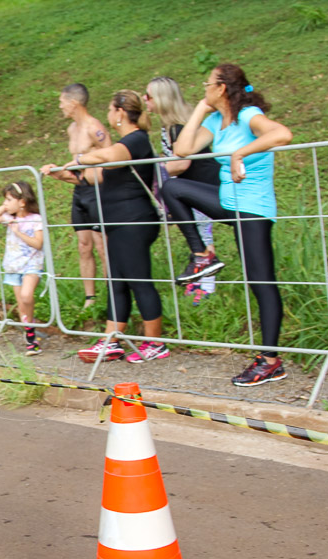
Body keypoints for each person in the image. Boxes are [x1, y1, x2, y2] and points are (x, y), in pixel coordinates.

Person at [164, 64, 293, 386]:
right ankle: (202, 256)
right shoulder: (214, 121)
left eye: (206, 85)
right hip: (227, 199)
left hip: (252, 208)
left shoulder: (248, 115)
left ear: (221, 88)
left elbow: (282, 134)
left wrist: (240, 154)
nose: (203, 88)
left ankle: (270, 360)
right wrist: (199, 108)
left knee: (261, 282)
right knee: (171, 187)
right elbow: (181, 151)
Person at [68, 90, 169, 365]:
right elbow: (95, 176)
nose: (109, 115)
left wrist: (80, 158)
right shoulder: (127, 142)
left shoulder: (135, 140)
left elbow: (110, 155)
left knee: (139, 281)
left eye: (111, 110)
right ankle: (112, 339)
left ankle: (155, 343)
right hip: (118, 224)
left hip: (134, 222)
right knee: (117, 282)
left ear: (120, 112)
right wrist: (65, 172)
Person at [144, 76, 220, 303]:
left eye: (148, 96)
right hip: (191, 184)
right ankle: (201, 277)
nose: (145, 100)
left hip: (201, 182)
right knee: (197, 230)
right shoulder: (170, 126)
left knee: (202, 230)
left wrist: (157, 165)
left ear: (161, 98)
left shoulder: (177, 127)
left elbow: (180, 163)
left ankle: (207, 284)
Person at [39, 84, 111, 310]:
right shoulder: (72, 130)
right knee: (83, 245)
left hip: (99, 190)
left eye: (62, 102)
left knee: (102, 245)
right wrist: (58, 172)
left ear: (74, 103)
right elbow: (76, 167)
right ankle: (90, 297)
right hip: (80, 190)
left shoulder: (94, 127)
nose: (60, 106)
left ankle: (113, 291)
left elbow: (112, 159)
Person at [0, 181, 45, 355]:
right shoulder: (10, 218)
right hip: (13, 267)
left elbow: (38, 243)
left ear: (22, 201)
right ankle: (31, 338)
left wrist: (18, 231)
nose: (5, 203)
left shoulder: (36, 219)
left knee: (27, 296)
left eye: (9, 199)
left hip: (31, 265)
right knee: (21, 304)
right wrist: (6, 207)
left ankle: (31, 325)